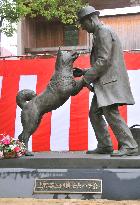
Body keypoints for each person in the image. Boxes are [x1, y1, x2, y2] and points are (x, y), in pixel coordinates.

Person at [73, 5, 138, 156]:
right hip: (106, 82)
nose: (82, 27)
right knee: (94, 113)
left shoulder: (102, 32)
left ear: (90, 19)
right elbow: (104, 61)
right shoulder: (101, 32)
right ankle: (105, 145)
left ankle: (130, 145)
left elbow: (103, 61)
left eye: (83, 23)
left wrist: (83, 80)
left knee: (110, 112)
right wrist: (84, 71)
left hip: (109, 83)